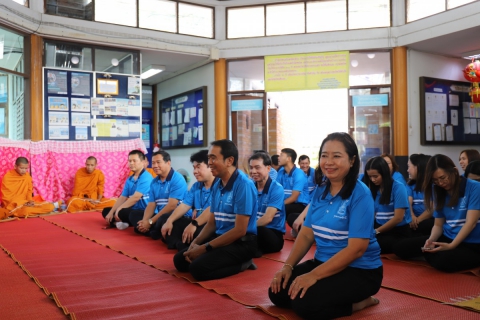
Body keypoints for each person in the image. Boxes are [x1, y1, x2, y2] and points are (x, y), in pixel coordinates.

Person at [268, 132, 382, 319]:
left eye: (336, 156)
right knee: (278, 292)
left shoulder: (360, 194)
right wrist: (288, 266)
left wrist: (314, 276)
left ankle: (360, 302)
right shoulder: (321, 189)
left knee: (305, 305)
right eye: (324, 155)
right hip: (323, 262)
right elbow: (306, 234)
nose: (328, 162)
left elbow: (356, 249)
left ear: (352, 160)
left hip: (360, 271)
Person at [173, 139, 258, 281]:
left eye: (213, 158)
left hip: (241, 243)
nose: (209, 163)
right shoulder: (217, 183)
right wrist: (196, 243)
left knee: (197, 269)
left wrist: (205, 248)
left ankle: (244, 263)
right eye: (208, 158)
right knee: (180, 261)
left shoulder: (243, 185)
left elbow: (240, 230)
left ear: (229, 161)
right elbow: (211, 223)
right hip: (221, 237)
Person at [393, 154, 480, 273]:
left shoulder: (475, 188)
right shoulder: (437, 190)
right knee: (400, 248)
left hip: (472, 243)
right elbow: (438, 225)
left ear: (454, 171)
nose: (440, 183)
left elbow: (471, 223)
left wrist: (451, 246)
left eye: (443, 177)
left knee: (443, 261)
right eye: (435, 180)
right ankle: (435, 253)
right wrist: (431, 240)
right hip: (448, 237)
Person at [160, 150, 217, 250]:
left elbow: (214, 209)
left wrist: (194, 224)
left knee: (204, 234)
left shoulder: (220, 186)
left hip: (211, 225)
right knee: (168, 222)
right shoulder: (196, 186)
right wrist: (169, 221)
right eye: (194, 168)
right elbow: (184, 205)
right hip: (195, 223)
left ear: (210, 166)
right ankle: (184, 246)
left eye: (198, 167)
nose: (195, 172)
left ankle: (181, 245)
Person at [129, 150, 187, 239]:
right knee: (134, 214)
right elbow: (151, 204)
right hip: (159, 215)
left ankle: (153, 231)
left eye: (158, 162)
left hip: (176, 216)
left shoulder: (178, 179)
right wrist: (145, 221)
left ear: (168, 163)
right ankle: (152, 230)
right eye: (153, 163)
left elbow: (172, 206)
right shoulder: (154, 182)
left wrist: (150, 222)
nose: (155, 166)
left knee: (163, 218)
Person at [362, 156, 411, 253]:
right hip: (379, 227)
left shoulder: (398, 187)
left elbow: (398, 218)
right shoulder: (373, 188)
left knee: (371, 245)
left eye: (375, 176)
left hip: (397, 230)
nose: (372, 180)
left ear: (384, 173)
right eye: (370, 177)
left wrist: (376, 231)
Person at [102, 150, 153, 227]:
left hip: (144, 211)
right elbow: (122, 197)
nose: (131, 163)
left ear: (142, 162)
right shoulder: (130, 179)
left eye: (134, 161)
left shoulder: (146, 177)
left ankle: (120, 223)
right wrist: (112, 212)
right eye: (129, 161)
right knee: (106, 211)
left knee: (130, 214)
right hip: (132, 209)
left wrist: (119, 209)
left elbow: (136, 198)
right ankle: (121, 223)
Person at [249, 152, 285, 255]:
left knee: (260, 230)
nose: (253, 171)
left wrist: (243, 229)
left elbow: (267, 219)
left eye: (257, 168)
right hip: (254, 231)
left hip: (271, 235)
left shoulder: (276, 188)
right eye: (251, 168)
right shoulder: (249, 186)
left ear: (268, 168)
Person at [406, 154, 434, 235]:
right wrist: (412, 216)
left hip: (428, 220)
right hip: (413, 220)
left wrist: (418, 220)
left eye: (409, 166)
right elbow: (408, 203)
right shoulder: (410, 185)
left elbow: (432, 209)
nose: (407, 170)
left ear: (417, 167)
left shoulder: (434, 185)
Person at [276, 148, 309, 216]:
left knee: (278, 209)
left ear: (289, 159)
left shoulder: (299, 174)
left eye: (281, 155)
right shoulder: (280, 172)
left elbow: (294, 198)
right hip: (286, 203)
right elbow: (275, 190)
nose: (278, 158)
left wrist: (277, 205)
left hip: (300, 205)